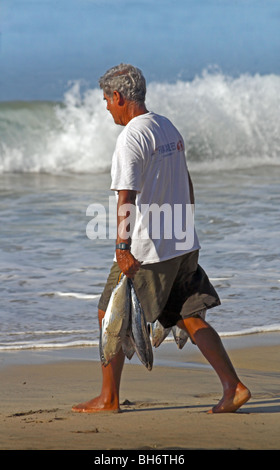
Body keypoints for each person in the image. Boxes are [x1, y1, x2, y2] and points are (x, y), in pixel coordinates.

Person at [72, 64, 251, 414]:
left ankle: (109, 398)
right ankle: (234, 387)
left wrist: (122, 249)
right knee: (190, 316)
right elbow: (187, 183)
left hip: (149, 249)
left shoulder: (130, 138)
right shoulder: (166, 126)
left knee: (108, 312)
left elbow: (126, 198)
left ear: (119, 96)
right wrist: (187, 230)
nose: (106, 106)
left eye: (106, 99)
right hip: (182, 242)